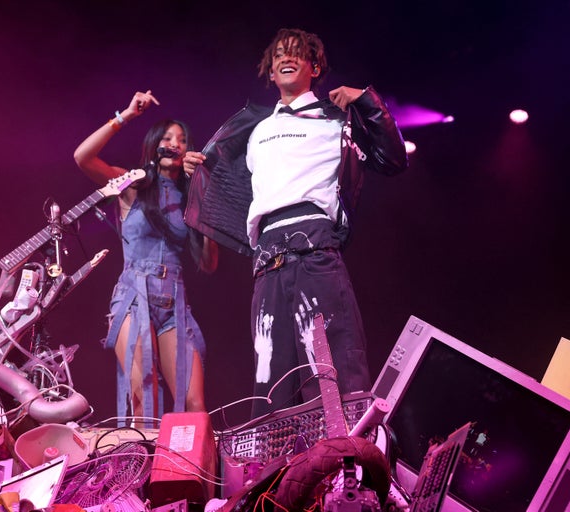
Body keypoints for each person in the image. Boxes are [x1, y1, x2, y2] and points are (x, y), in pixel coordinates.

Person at [184, 28, 408, 418]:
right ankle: (277, 477)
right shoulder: (254, 130)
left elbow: (393, 159)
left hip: (315, 250)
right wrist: (199, 168)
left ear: (314, 66)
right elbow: (229, 190)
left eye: (297, 53)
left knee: (332, 369)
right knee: (271, 380)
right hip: (267, 260)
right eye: (278, 55)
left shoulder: (336, 119)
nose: (286, 58)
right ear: (270, 72)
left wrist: (366, 100)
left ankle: (346, 471)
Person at [74, 90, 218, 422]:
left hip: (175, 302)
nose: (176, 143)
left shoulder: (191, 200)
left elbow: (210, 263)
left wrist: (206, 200)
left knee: (194, 405)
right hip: (135, 295)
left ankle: (190, 471)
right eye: (168, 137)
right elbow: (83, 157)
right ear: (155, 146)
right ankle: (142, 469)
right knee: (144, 395)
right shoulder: (132, 186)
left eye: (182, 140)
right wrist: (126, 115)